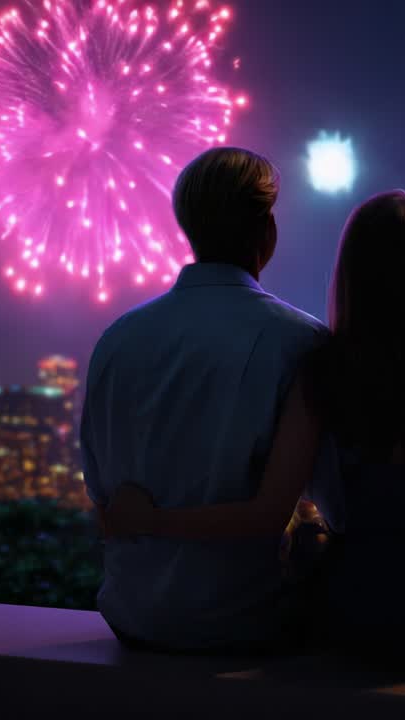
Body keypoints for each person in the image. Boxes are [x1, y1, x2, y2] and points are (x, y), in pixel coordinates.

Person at [104, 190, 405, 665]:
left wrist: (150, 519)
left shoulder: (322, 374)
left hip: (354, 607)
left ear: (353, 278)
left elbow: (268, 509)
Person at [82, 147, 329, 652]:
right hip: (248, 621)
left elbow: (103, 493)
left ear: (188, 227)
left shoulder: (117, 338)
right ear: (267, 232)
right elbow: (297, 507)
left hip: (129, 615)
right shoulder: (302, 343)